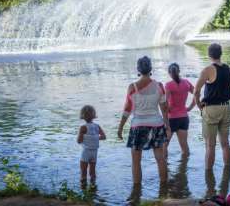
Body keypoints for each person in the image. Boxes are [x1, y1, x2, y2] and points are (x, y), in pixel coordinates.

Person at [117, 56, 171, 185]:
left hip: (138, 126)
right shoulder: (159, 86)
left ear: (138, 69)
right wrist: (167, 125)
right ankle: (163, 189)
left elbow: (127, 110)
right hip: (157, 125)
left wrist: (120, 128)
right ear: (150, 68)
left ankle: (137, 191)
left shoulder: (132, 87)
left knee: (136, 161)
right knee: (160, 158)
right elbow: (164, 108)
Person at [194, 43, 230, 170]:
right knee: (225, 144)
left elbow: (196, 91)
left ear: (209, 55)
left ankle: (208, 177)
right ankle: (227, 171)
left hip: (211, 109)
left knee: (210, 145)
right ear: (221, 53)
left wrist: (199, 106)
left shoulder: (207, 70)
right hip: (225, 108)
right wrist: (229, 97)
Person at [164, 63, 195, 157]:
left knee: (164, 146)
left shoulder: (168, 85)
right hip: (184, 118)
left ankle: (166, 168)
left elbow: (165, 103)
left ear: (169, 73)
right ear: (179, 71)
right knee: (184, 146)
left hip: (171, 119)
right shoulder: (186, 83)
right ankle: (184, 168)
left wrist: (167, 111)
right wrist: (190, 107)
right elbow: (197, 94)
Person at [77, 105, 106, 184]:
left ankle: (84, 191)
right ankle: (93, 190)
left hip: (86, 152)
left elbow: (79, 141)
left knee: (83, 174)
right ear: (93, 115)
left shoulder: (83, 127)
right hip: (94, 152)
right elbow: (104, 137)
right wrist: (95, 138)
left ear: (83, 116)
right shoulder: (97, 126)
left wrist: (85, 138)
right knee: (92, 173)